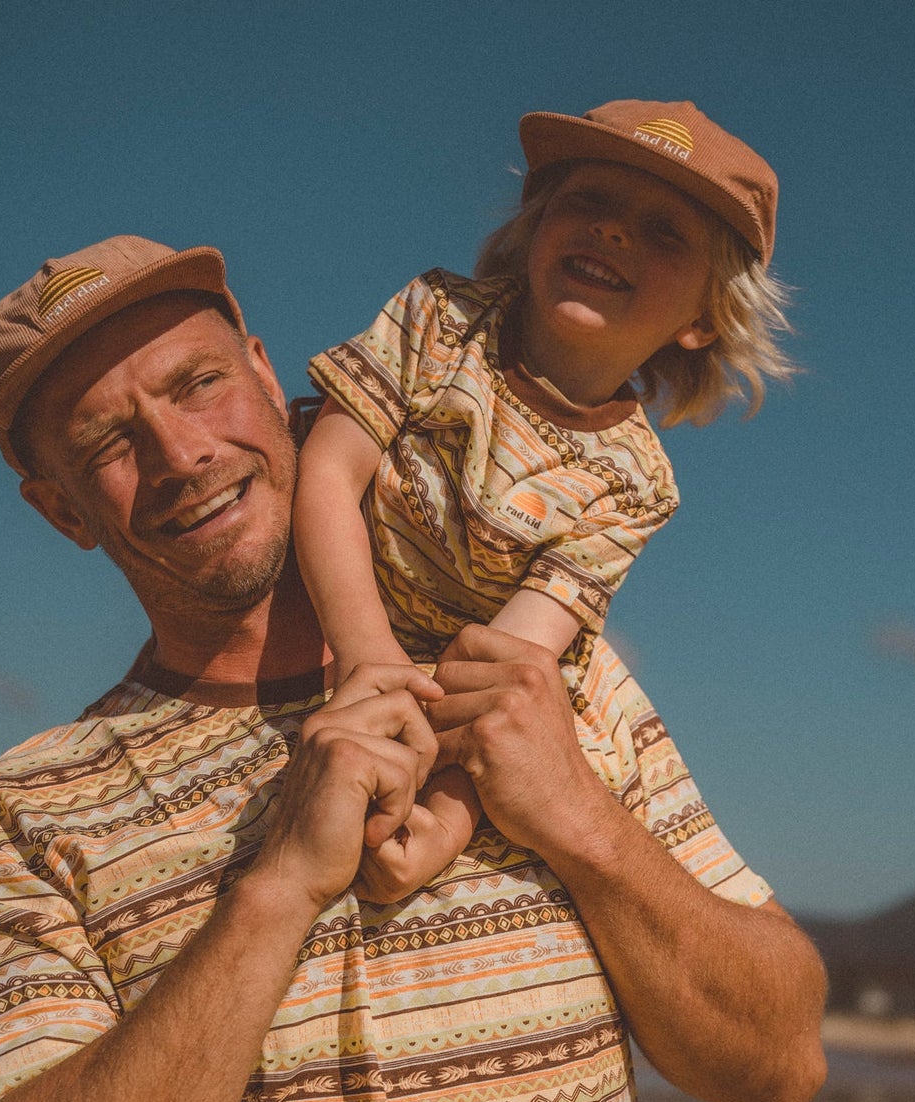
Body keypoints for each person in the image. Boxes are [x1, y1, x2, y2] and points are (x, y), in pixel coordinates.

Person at [0, 233, 826, 1102]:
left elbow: (777, 1064)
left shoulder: (547, 686)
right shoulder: (21, 816)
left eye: (196, 383)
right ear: (57, 509)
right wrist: (272, 891)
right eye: (108, 442)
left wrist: (573, 813)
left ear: (271, 376)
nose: (181, 453)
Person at [294, 99, 793, 901]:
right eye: (589, 200)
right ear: (535, 227)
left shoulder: (635, 484)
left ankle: (440, 834)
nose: (615, 231)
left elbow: (515, 664)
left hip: (458, 679)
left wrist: (444, 816)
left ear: (703, 318)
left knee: (551, 690)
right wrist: (366, 655)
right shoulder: (440, 316)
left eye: (666, 231)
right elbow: (327, 473)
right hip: (346, 628)